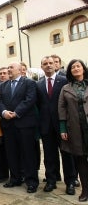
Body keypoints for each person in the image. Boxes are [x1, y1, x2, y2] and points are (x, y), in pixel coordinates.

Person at [0, 62, 39, 193]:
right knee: (11, 153)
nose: (8, 70)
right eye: (7, 67)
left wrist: (16, 113)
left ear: (20, 70)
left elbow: (30, 99)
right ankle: (15, 178)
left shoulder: (29, 83)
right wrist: (4, 112)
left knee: (28, 154)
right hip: (8, 125)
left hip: (25, 124)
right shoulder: (3, 86)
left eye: (11, 68)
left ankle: (31, 181)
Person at [37, 56, 76, 195]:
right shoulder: (38, 84)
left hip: (62, 125)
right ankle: (51, 180)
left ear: (56, 65)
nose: (48, 65)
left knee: (67, 155)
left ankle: (70, 182)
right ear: (41, 67)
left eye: (51, 63)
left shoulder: (64, 81)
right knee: (49, 155)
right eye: (45, 64)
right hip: (46, 126)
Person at [58, 59, 88, 202]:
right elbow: (62, 109)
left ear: (83, 68)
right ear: (70, 71)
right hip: (75, 129)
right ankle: (85, 190)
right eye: (73, 67)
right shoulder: (66, 88)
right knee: (80, 160)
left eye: (78, 66)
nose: (76, 68)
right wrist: (63, 128)